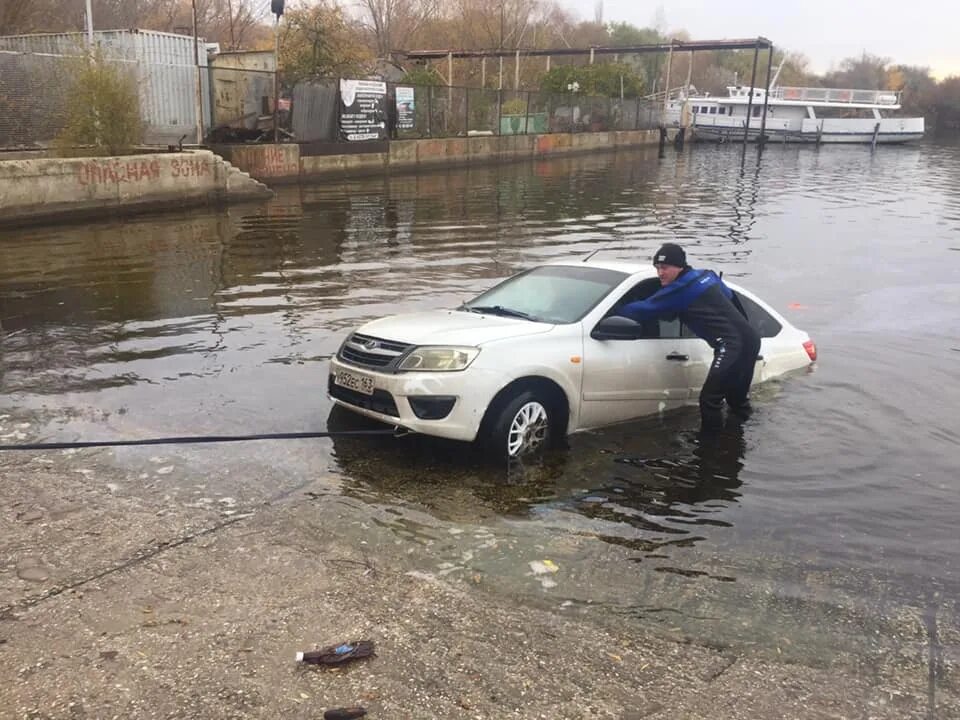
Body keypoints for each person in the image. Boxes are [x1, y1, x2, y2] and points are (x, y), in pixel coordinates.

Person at [618, 243, 761, 429]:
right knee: (737, 401)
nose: (660, 273)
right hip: (750, 340)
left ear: (679, 266)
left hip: (731, 346)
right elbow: (731, 298)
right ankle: (736, 444)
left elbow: (642, 310)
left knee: (710, 400)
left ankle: (710, 452)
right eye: (657, 268)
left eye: (665, 268)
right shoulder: (707, 276)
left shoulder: (680, 290)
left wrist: (615, 310)